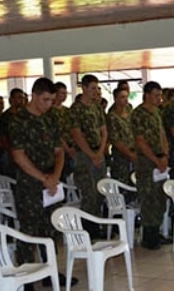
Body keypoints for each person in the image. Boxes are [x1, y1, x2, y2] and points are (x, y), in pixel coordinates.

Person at [9, 77, 76, 290]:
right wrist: (43, 178)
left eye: (52, 100)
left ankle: (50, 272)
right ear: (35, 96)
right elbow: (19, 156)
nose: (49, 104)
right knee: (29, 230)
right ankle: (27, 277)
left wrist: (55, 176)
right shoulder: (18, 120)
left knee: (51, 229)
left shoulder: (51, 119)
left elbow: (59, 152)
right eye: (46, 100)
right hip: (30, 184)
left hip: (51, 183)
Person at [130, 81, 169, 250]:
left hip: (160, 161)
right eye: (156, 95)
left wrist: (165, 156)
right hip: (147, 162)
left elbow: (162, 135)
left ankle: (156, 230)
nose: (159, 98)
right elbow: (140, 141)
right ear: (146, 95)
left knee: (160, 197)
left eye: (160, 95)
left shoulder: (156, 113)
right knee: (148, 198)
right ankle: (149, 236)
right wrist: (155, 159)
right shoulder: (139, 114)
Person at [70, 75, 108, 237]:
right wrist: (91, 155)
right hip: (84, 156)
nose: (95, 91)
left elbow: (104, 131)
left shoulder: (97, 107)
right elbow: (77, 135)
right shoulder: (75, 109)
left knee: (100, 191)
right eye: (92, 88)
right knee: (89, 192)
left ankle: (97, 224)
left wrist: (99, 152)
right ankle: (88, 229)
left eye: (97, 88)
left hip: (98, 153)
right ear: (84, 88)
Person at [107, 88, 137, 192]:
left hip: (134, 151)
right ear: (115, 99)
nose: (126, 100)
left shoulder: (129, 111)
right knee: (122, 184)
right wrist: (129, 154)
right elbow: (115, 140)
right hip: (121, 156)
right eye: (122, 97)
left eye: (126, 97)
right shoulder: (112, 116)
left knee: (134, 184)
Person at [51, 82, 75, 181]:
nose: (64, 96)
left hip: (71, 146)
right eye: (62, 93)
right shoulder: (50, 111)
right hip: (58, 148)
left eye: (66, 93)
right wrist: (66, 148)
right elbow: (55, 133)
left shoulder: (67, 111)